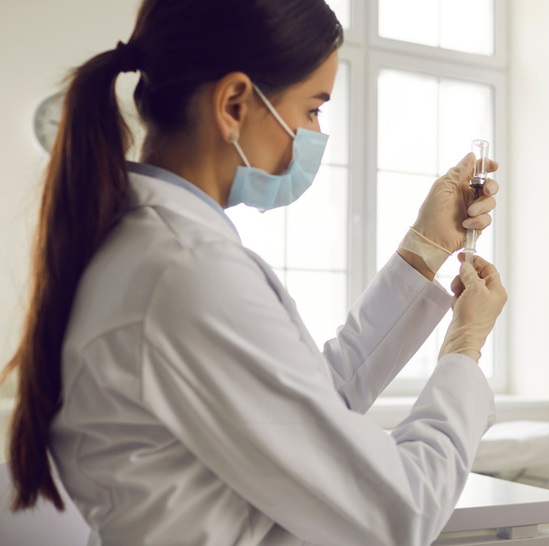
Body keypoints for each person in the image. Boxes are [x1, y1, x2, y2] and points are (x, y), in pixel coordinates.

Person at [2, 1, 507, 544]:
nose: (316, 132)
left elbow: (309, 406)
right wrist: (465, 347)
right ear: (235, 103)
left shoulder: (149, 249)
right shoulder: (185, 271)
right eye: (313, 110)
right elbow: (403, 509)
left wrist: (424, 250)